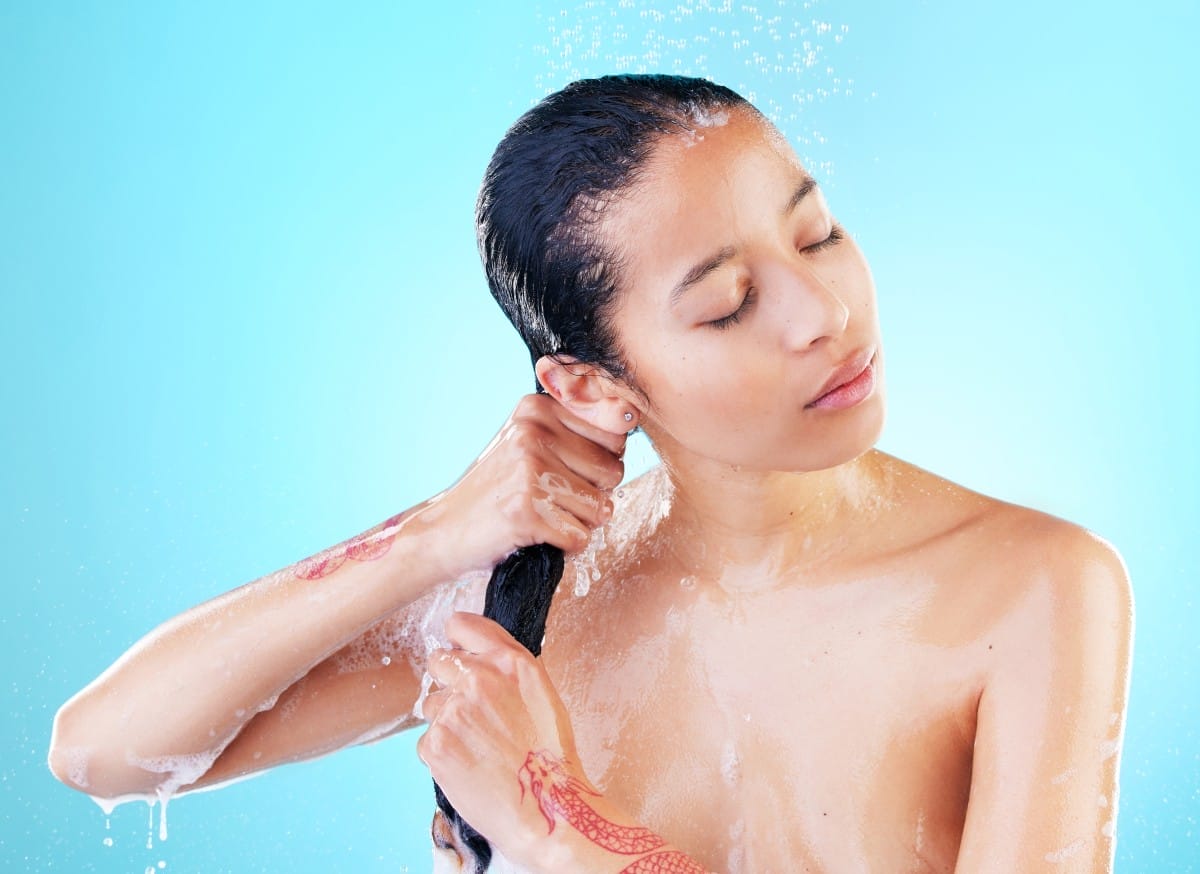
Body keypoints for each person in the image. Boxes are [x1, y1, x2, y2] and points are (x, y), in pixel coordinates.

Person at [48, 74, 1134, 873]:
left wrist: (549, 817)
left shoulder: (1033, 586)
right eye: (726, 304)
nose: (825, 314)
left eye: (818, 233)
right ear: (594, 388)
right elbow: (104, 752)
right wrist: (433, 536)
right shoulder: (533, 597)